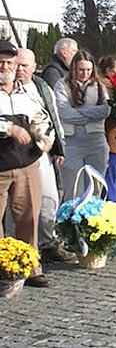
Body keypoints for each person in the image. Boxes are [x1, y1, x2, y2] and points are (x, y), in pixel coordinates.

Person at [0, 40, 55, 286]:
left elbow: (43, 119)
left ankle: (30, 267)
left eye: (9, 63)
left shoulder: (26, 92)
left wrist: (44, 136)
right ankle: (3, 269)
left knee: (28, 218)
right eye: (0, 62)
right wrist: (8, 128)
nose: (5, 67)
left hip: (26, 164)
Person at [15, 48, 71, 265]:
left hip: (43, 153)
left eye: (25, 66)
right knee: (18, 205)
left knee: (49, 200)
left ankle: (47, 243)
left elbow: (54, 117)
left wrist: (59, 148)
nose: (20, 70)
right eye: (17, 65)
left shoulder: (41, 87)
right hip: (17, 156)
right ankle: (17, 250)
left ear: (33, 66)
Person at [54, 50, 111, 190]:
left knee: (96, 188)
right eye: (81, 69)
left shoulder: (100, 86)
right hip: (71, 143)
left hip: (96, 141)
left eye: (88, 70)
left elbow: (106, 110)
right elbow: (64, 113)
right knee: (73, 190)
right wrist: (92, 114)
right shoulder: (62, 85)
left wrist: (79, 111)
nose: (85, 74)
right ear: (74, 68)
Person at [98, 55, 116, 210]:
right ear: (109, 71)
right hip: (111, 134)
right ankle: (112, 205)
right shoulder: (103, 87)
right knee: (113, 172)